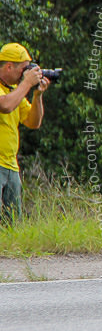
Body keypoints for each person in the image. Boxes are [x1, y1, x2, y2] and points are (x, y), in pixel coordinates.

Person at [0, 43, 50, 224]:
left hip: (10, 166)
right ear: (8, 66)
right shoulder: (9, 93)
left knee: (12, 223)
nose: (25, 75)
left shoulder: (14, 91)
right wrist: (27, 83)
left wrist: (37, 96)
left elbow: (33, 122)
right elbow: (5, 105)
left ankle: (10, 253)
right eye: (23, 70)